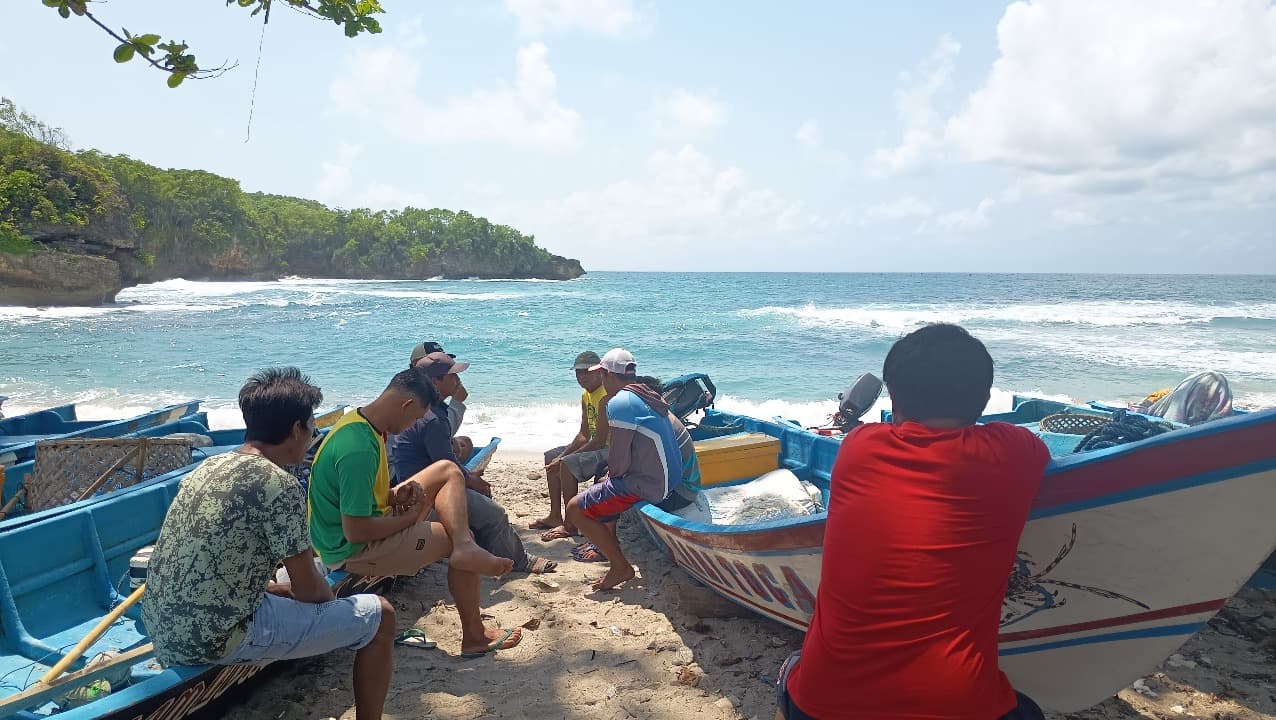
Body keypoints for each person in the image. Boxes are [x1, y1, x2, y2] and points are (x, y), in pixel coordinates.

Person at [776, 324, 1050, 720]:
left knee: (791, 668)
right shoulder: (1015, 453)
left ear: (895, 399)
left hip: (818, 706)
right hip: (956, 706)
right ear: (985, 398)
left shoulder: (858, 448)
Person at [141, 368, 396, 720]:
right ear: (296, 429)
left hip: (162, 624)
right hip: (212, 637)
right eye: (311, 427)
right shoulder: (279, 484)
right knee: (380, 615)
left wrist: (272, 590)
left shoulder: (209, 468)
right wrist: (334, 607)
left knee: (290, 584)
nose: (312, 436)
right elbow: (311, 591)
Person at [308, 367, 522, 658]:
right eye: (415, 418)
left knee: (447, 471)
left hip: (358, 525)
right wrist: (408, 519)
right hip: (350, 549)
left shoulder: (361, 423)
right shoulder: (357, 448)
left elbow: (358, 494)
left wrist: (395, 495)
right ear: (406, 404)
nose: (412, 425)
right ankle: (474, 635)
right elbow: (355, 530)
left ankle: (463, 546)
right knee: (462, 535)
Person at [391, 350, 557, 574]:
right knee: (495, 514)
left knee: (480, 501)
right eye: (451, 376)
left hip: (419, 488)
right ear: (434, 382)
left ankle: (487, 549)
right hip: (426, 497)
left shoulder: (425, 410)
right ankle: (521, 562)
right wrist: (472, 481)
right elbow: (446, 465)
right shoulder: (433, 419)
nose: (458, 380)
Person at [564, 348, 701, 591]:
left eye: (602, 375)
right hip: (669, 479)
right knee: (604, 487)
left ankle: (619, 566)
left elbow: (618, 463)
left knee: (575, 509)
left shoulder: (620, 403)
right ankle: (609, 545)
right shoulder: (644, 394)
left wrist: (611, 474)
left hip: (653, 485)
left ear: (608, 375)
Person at [533, 351, 611, 540]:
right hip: (595, 444)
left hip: (609, 449)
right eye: (578, 373)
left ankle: (571, 524)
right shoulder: (586, 395)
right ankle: (555, 515)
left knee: (566, 464)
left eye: (586, 372)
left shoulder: (605, 396)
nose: (581, 377)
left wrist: (564, 459)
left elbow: (599, 439)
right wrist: (560, 456)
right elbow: (585, 433)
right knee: (551, 455)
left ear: (599, 371)